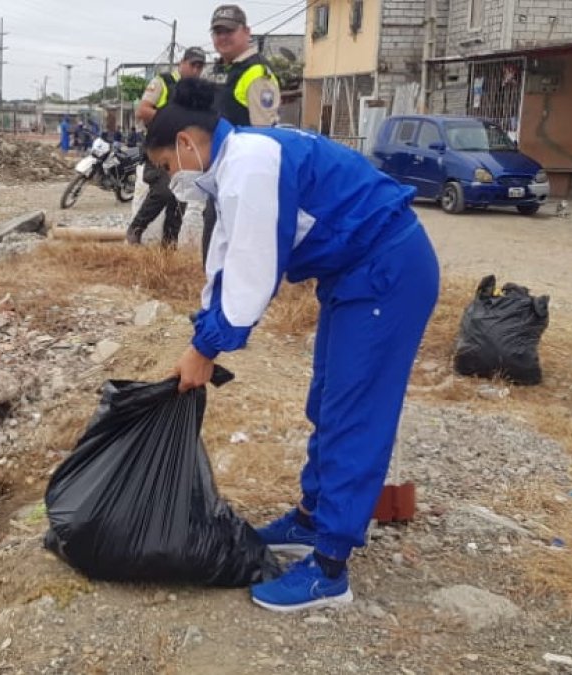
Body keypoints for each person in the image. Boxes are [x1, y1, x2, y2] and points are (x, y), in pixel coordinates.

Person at [148, 79, 439, 612]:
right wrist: (201, 332)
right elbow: (225, 263)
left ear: (188, 144)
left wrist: (209, 347)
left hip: (387, 272)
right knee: (328, 399)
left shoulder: (251, 165)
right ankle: (311, 520)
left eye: (169, 166)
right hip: (356, 278)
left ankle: (330, 569)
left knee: (355, 413)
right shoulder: (234, 167)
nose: (174, 180)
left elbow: (255, 272)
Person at [202, 4, 281, 263]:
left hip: (243, 179)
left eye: (229, 31)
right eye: (217, 32)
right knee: (215, 244)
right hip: (223, 174)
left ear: (246, 32)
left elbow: (264, 135)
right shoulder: (228, 70)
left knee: (232, 252)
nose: (222, 37)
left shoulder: (257, 73)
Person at [126, 47, 208, 247]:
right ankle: (135, 229)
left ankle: (168, 248)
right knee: (163, 190)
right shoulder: (163, 82)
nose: (196, 70)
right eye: (193, 65)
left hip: (182, 154)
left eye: (200, 66)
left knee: (179, 199)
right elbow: (143, 110)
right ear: (182, 63)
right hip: (159, 147)